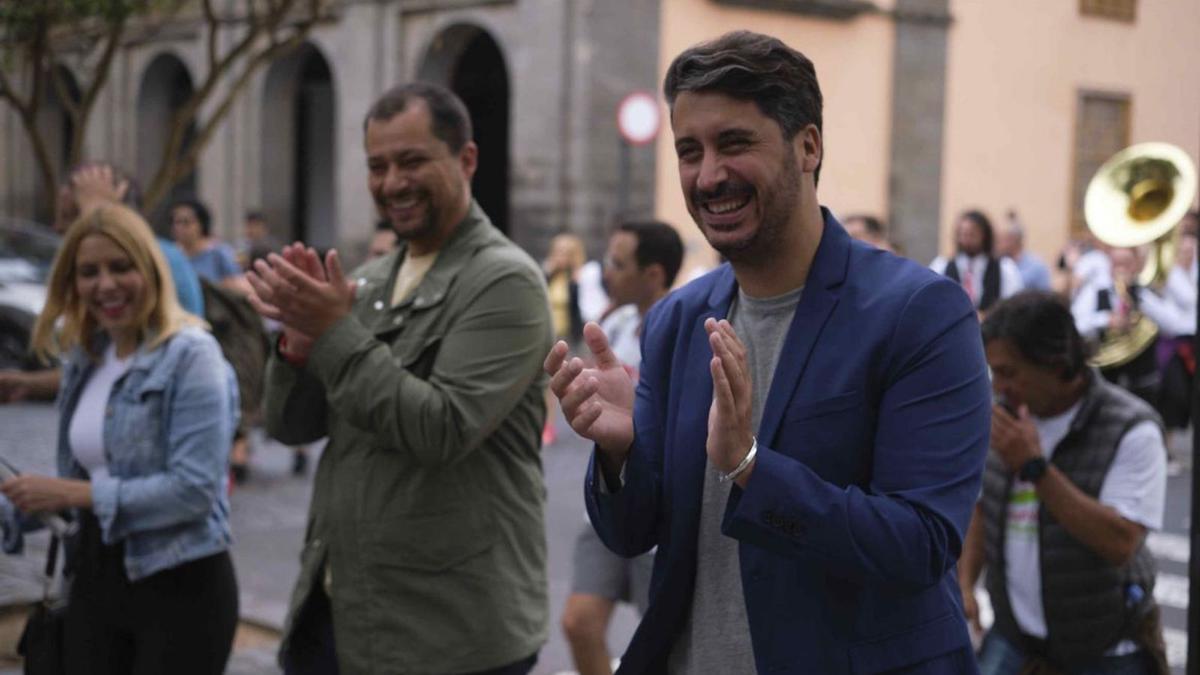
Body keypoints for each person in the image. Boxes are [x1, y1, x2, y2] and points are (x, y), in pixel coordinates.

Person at [545, 31, 991, 674]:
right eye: (689, 151)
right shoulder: (676, 321)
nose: (708, 176)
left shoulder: (920, 313)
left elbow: (919, 545)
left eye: (735, 143)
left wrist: (751, 465)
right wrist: (621, 454)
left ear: (808, 146)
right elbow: (631, 534)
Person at [247, 82, 552, 674]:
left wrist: (334, 332)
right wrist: (296, 347)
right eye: (377, 166)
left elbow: (440, 428)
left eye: (412, 161)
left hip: (451, 635)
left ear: (465, 159)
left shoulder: (505, 282)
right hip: (342, 609)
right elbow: (290, 427)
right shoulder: (370, 279)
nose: (392, 183)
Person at [1, 203, 239, 674]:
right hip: (93, 575)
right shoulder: (88, 358)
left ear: (149, 269)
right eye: (88, 272)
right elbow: (89, 482)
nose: (104, 284)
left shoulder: (192, 356)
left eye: (120, 266)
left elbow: (193, 490)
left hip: (178, 586)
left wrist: (70, 492)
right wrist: (25, 506)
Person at [959, 291, 1168, 675]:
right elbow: (981, 506)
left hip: (1106, 650)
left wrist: (1034, 466)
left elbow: (1120, 542)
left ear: (1055, 365)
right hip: (1014, 643)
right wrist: (965, 582)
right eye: (994, 372)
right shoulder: (1006, 414)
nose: (999, 386)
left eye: (1009, 372)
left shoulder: (1131, 427)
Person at [561, 220, 683, 675]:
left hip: (662, 517)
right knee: (579, 622)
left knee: (665, 647)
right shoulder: (618, 324)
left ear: (653, 273)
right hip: (611, 501)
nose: (606, 273)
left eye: (618, 263)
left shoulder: (684, 330)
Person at [0, 162, 204, 402]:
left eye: (70, 217)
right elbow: (105, 367)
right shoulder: (104, 338)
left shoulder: (160, 259)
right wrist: (29, 384)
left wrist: (97, 211)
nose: (57, 227)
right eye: (88, 272)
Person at [1071, 247, 1161, 405]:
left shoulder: (1142, 293)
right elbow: (1075, 323)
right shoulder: (1095, 291)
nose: (1121, 269)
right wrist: (1105, 319)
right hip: (1106, 373)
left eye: (1126, 264)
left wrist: (1135, 308)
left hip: (1138, 379)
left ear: (1136, 266)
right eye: (1116, 264)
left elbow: (1171, 323)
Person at [931, 209, 1024, 313]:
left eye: (972, 234)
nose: (966, 239)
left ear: (984, 235)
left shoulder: (1004, 267)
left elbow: (1014, 304)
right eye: (963, 234)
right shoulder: (941, 265)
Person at [171, 198, 250, 295]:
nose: (179, 228)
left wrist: (218, 286)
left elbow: (242, 286)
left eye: (186, 222)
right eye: (176, 222)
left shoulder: (220, 253)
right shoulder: (171, 255)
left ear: (201, 224)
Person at [997, 211, 1051, 291]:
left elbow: (1045, 296)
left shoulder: (1036, 266)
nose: (998, 244)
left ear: (1013, 239)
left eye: (1002, 239)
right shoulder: (998, 263)